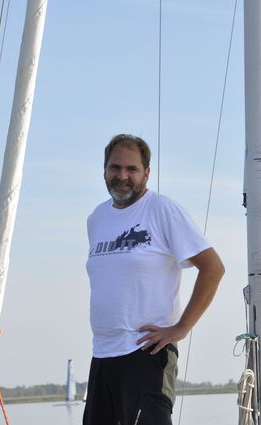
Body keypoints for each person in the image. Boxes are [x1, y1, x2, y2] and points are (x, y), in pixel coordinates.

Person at [83, 134, 225, 425]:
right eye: (115, 167)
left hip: (146, 353)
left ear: (146, 173)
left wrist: (181, 328)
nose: (122, 176)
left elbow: (213, 268)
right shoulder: (97, 218)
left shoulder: (162, 209)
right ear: (104, 170)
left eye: (132, 169)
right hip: (103, 355)